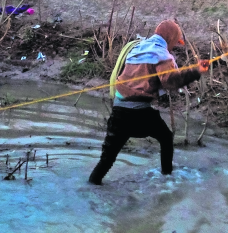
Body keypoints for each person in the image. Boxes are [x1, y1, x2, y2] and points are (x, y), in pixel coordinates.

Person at [88, 20, 208, 185]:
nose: (174, 46)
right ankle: (167, 179)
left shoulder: (137, 48)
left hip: (118, 112)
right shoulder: (161, 55)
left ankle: (92, 185)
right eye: (175, 42)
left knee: (107, 159)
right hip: (139, 113)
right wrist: (197, 71)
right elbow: (171, 82)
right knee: (166, 137)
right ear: (170, 38)